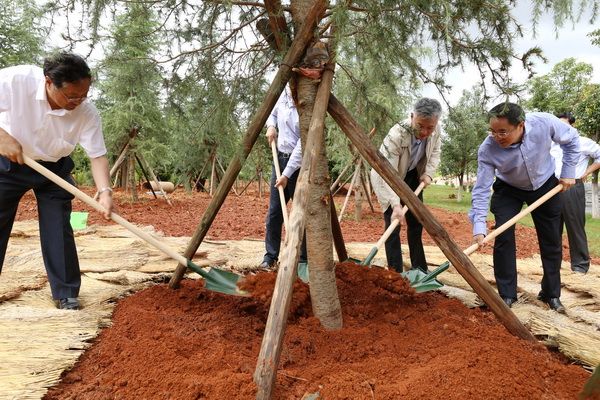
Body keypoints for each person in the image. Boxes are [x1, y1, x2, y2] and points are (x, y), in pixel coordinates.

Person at [0, 52, 113, 310]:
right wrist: (1, 138)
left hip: (54, 169)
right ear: (49, 82)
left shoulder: (86, 111)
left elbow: (97, 156)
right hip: (10, 161)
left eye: (84, 95)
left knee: (58, 226)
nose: (78, 101)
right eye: (72, 96)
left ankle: (66, 293)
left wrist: (105, 191)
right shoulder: (15, 81)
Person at [469, 102, 580, 314]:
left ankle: (551, 293)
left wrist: (568, 171)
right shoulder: (487, 149)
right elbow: (482, 188)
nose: (497, 136)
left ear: (521, 125)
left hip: (544, 184)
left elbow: (572, 139)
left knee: (551, 240)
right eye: (492, 131)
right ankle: (507, 294)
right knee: (503, 235)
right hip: (508, 188)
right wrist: (479, 224)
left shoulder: (544, 123)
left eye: (503, 131)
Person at [370, 98, 442, 273]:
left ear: (436, 122)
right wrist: (395, 204)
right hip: (388, 176)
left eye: (429, 127)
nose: (425, 131)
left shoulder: (436, 130)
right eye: (420, 126)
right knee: (394, 222)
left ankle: (420, 269)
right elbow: (387, 173)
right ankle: (396, 272)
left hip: (413, 176)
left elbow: (435, 153)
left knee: (416, 222)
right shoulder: (396, 135)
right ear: (412, 117)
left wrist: (428, 174)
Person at [259, 86, 307, 270]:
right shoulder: (283, 96)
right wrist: (271, 126)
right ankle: (270, 256)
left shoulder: (305, 108)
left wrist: (286, 174)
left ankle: (302, 260)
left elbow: (302, 147)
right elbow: (272, 113)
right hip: (278, 158)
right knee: (274, 213)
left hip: (298, 165)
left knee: (300, 212)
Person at [550, 112, 600, 274]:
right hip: (551, 189)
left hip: (572, 188)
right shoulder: (550, 145)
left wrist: (587, 172)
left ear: (572, 126)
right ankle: (552, 266)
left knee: (575, 226)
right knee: (551, 228)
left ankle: (580, 266)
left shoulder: (583, 142)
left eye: (564, 125)